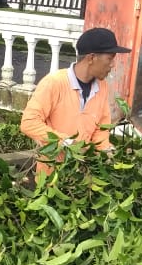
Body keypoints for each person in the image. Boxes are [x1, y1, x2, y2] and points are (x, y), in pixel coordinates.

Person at [20, 27, 131, 173]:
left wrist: (106, 150)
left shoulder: (102, 86)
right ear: (91, 58)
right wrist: (66, 142)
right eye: (110, 58)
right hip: (52, 176)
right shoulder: (54, 83)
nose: (112, 65)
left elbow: (101, 127)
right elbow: (29, 123)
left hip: (83, 176)